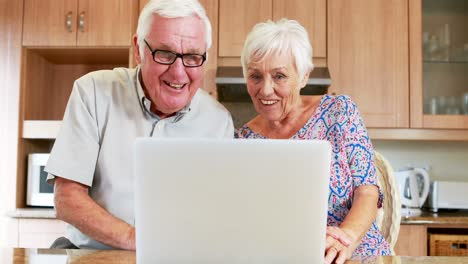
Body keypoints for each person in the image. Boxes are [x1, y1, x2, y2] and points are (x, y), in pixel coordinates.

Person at [45, 0, 234, 250]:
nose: (178, 73)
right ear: (138, 49)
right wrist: (137, 240)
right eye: (164, 54)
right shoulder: (93, 92)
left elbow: (218, 214)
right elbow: (66, 198)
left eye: (192, 57)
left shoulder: (218, 122)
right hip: (93, 254)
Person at [235, 19, 391, 263]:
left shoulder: (339, 111)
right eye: (255, 76)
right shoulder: (242, 139)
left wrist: (344, 237)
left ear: (304, 76)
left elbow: (367, 192)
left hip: (353, 251)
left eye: (279, 76)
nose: (265, 90)